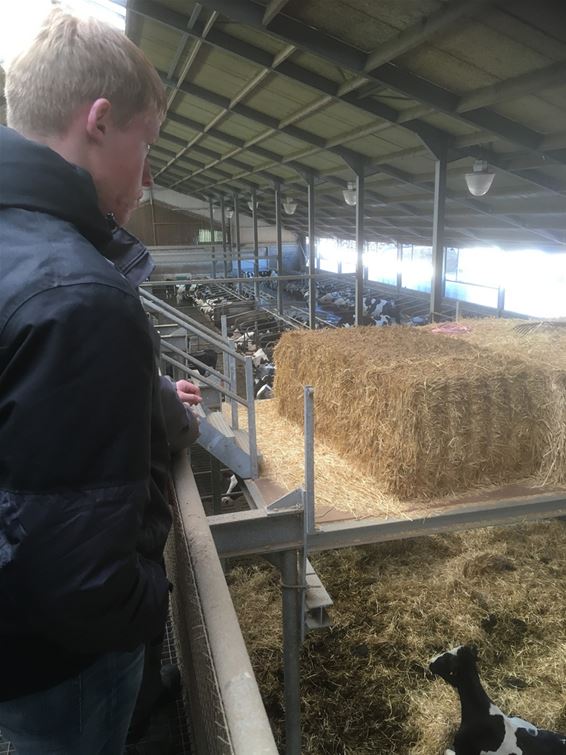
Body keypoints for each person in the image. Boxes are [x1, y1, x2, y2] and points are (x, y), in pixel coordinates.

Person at [0, 8, 183, 754]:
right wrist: (157, 599)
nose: (147, 178)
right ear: (99, 120)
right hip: (60, 669)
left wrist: (154, 405)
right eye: (148, 147)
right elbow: (75, 573)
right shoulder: (78, 293)